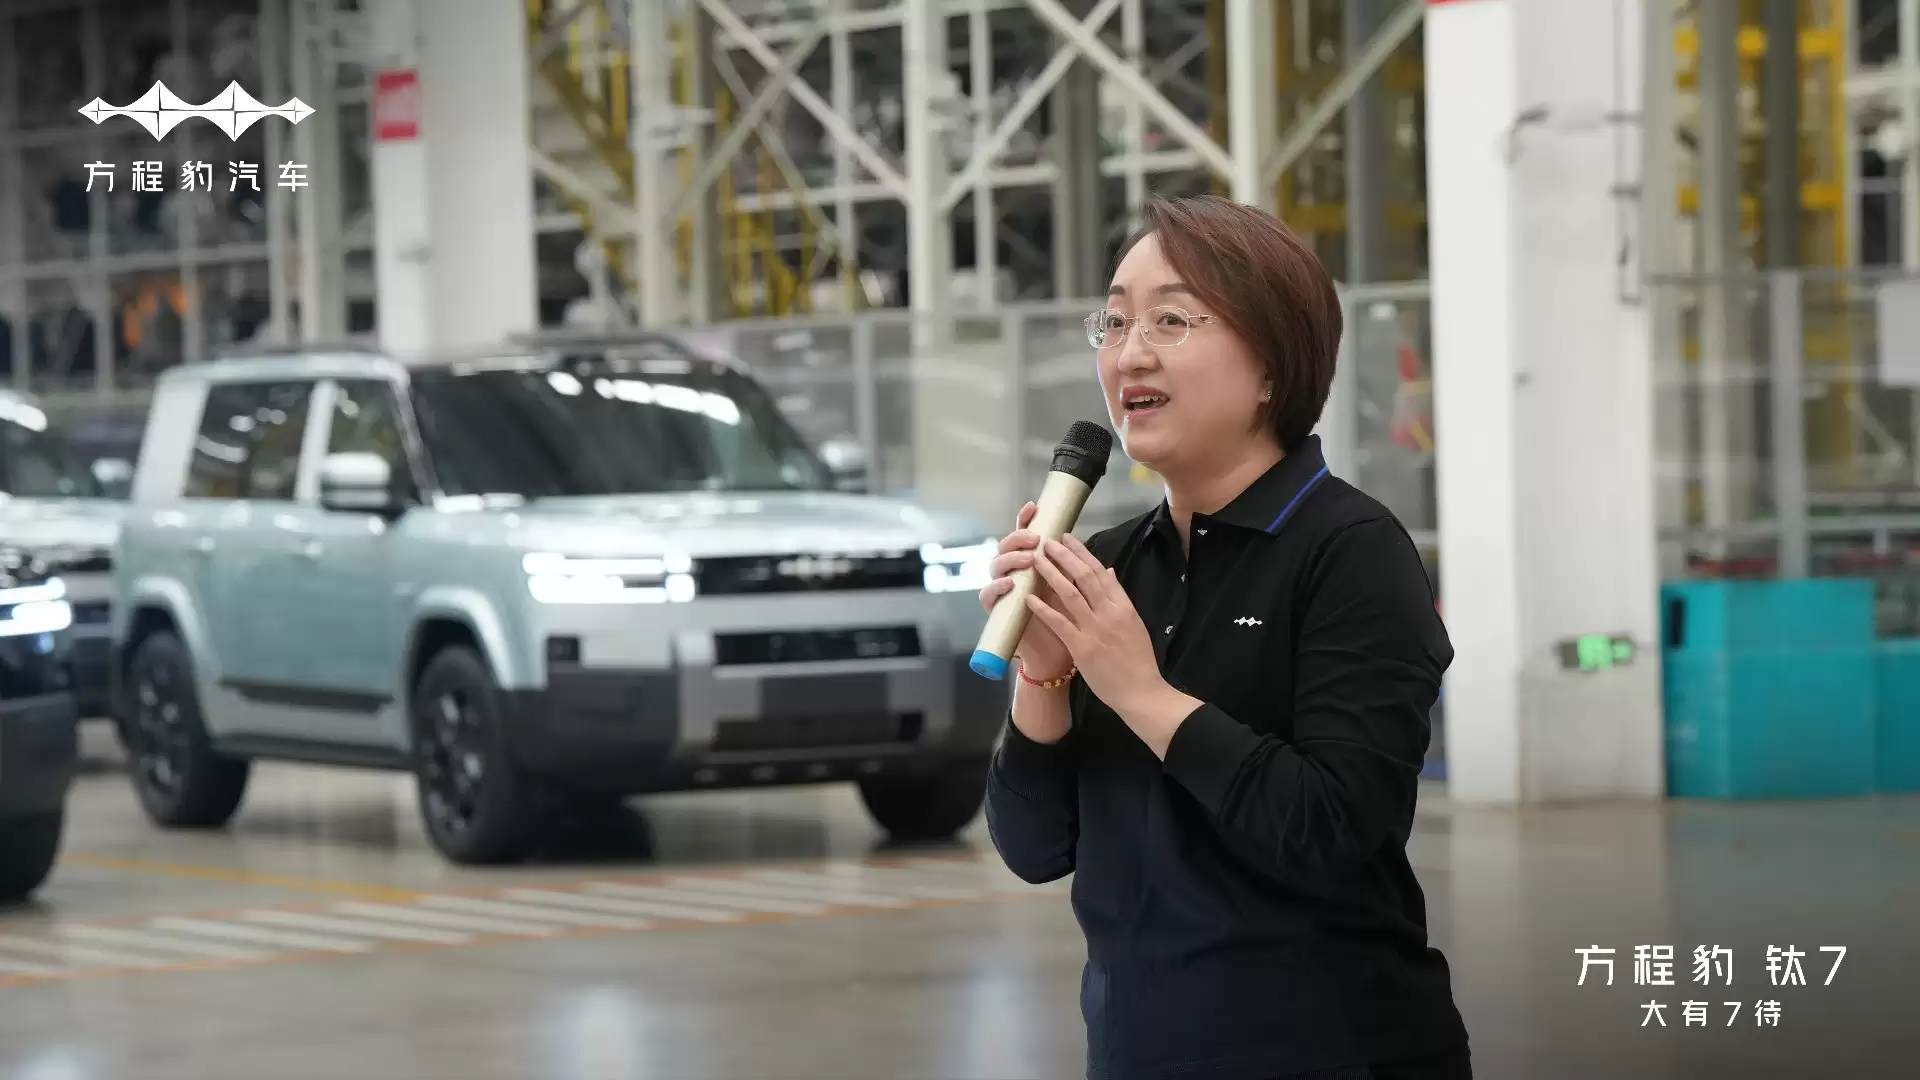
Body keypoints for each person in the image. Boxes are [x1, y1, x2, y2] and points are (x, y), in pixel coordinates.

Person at [980, 195, 1470, 1080]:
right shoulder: (1110, 563)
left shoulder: (1352, 552)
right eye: (1115, 321)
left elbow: (1332, 830)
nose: (1130, 352)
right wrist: (1045, 677)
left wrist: (1141, 691)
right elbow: (1035, 850)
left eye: (1171, 320)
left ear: (1272, 365)